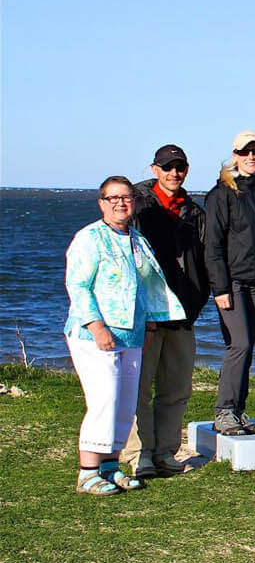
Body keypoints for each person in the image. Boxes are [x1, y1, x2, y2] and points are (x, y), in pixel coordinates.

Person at [64, 177, 185, 494]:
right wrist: (96, 326)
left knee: (124, 404)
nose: (121, 203)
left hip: (132, 334)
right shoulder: (90, 238)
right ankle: (88, 472)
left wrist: (150, 324)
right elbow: (78, 286)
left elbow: (147, 284)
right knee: (104, 399)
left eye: (126, 197)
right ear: (102, 203)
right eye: (113, 198)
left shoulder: (137, 239)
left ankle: (110, 467)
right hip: (95, 336)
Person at [122, 145, 210, 479]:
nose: (174, 173)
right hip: (145, 316)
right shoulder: (138, 205)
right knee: (139, 388)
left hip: (182, 313)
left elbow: (205, 260)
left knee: (176, 388)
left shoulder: (194, 212)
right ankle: (139, 454)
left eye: (180, 167)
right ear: (154, 169)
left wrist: (197, 300)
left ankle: (165, 452)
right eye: (168, 167)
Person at [204, 130, 255, 436]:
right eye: (245, 152)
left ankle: (238, 410)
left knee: (246, 348)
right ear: (235, 155)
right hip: (232, 283)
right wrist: (220, 288)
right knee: (240, 344)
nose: (251, 157)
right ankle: (224, 411)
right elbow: (212, 245)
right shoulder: (222, 193)